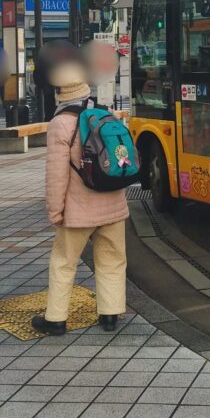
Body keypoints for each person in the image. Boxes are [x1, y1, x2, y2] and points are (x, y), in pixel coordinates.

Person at [31, 60, 129, 335]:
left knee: (64, 261)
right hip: (112, 203)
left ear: (59, 93)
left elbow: (56, 176)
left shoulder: (60, 124)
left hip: (78, 210)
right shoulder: (106, 114)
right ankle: (110, 315)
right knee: (112, 258)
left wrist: (55, 211)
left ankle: (56, 319)